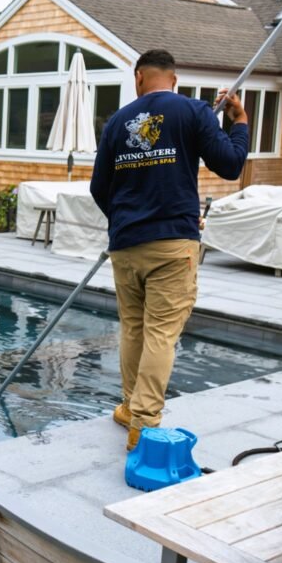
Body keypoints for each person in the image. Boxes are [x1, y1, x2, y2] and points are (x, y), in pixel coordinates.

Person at [90, 49, 248, 452]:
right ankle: (143, 423)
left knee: (134, 328)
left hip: (126, 246)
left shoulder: (117, 123)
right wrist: (240, 123)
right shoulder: (193, 112)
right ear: (173, 79)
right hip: (172, 244)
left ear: (139, 76)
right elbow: (229, 164)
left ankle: (129, 406)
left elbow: (98, 188)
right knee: (160, 333)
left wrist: (126, 219)